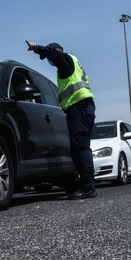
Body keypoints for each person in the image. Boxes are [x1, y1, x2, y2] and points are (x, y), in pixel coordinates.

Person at [25, 40, 97, 200]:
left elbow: (55, 55)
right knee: (80, 148)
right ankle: (86, 186)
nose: (51, 61)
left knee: (81, 148)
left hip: (79, 108)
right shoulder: (72, 63)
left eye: (52, 56)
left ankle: (88, 188)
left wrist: (38, 49)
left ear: (58, 51)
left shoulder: (65, 60)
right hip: (83, 108)